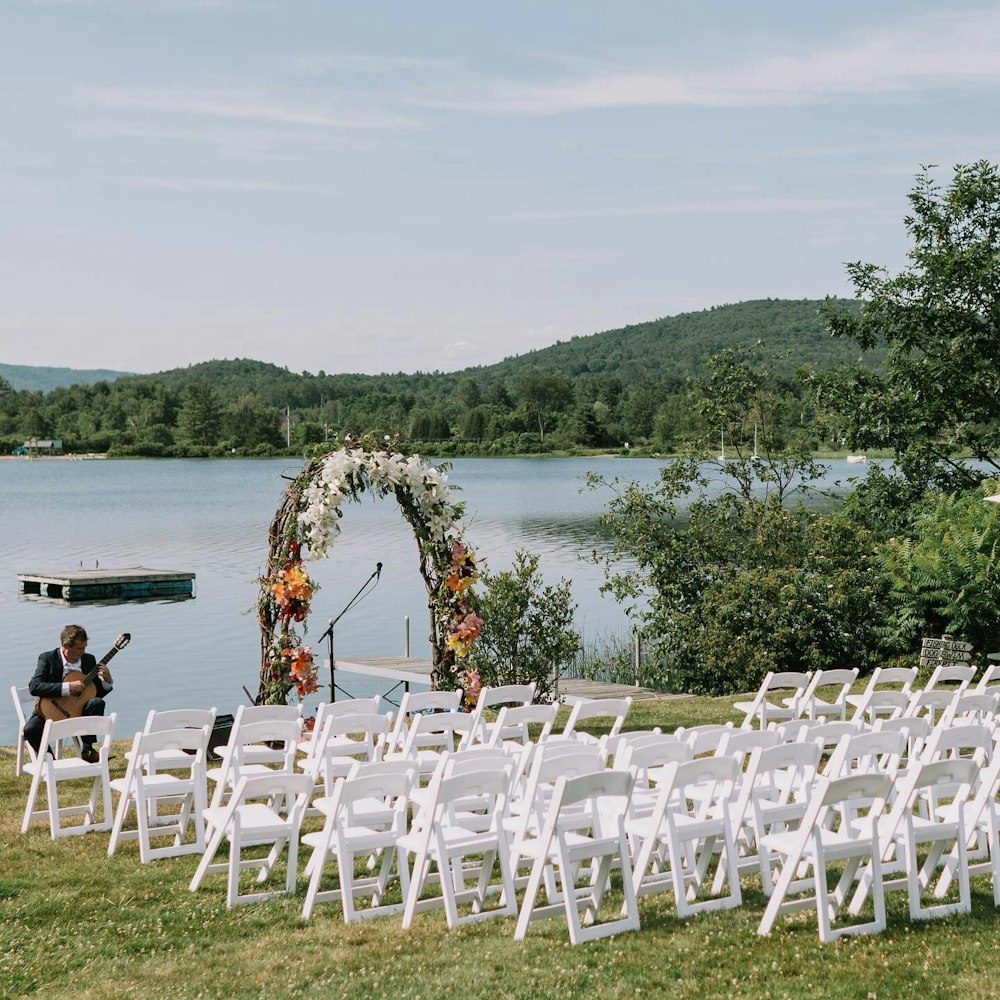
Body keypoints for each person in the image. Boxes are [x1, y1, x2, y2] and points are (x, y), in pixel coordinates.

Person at [24, 624, 114, 763]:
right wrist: (68, 687)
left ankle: (88, 749)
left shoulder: (88, 660)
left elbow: (94, 693)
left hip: (78, 712)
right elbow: (34, 687)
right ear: (65, 645)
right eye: (79, 648)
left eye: (84, 647)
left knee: (97, 703)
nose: (83, 652)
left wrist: (107, 681)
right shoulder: (48, 658)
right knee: (30, 729)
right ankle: (50, 762)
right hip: (49, 711)